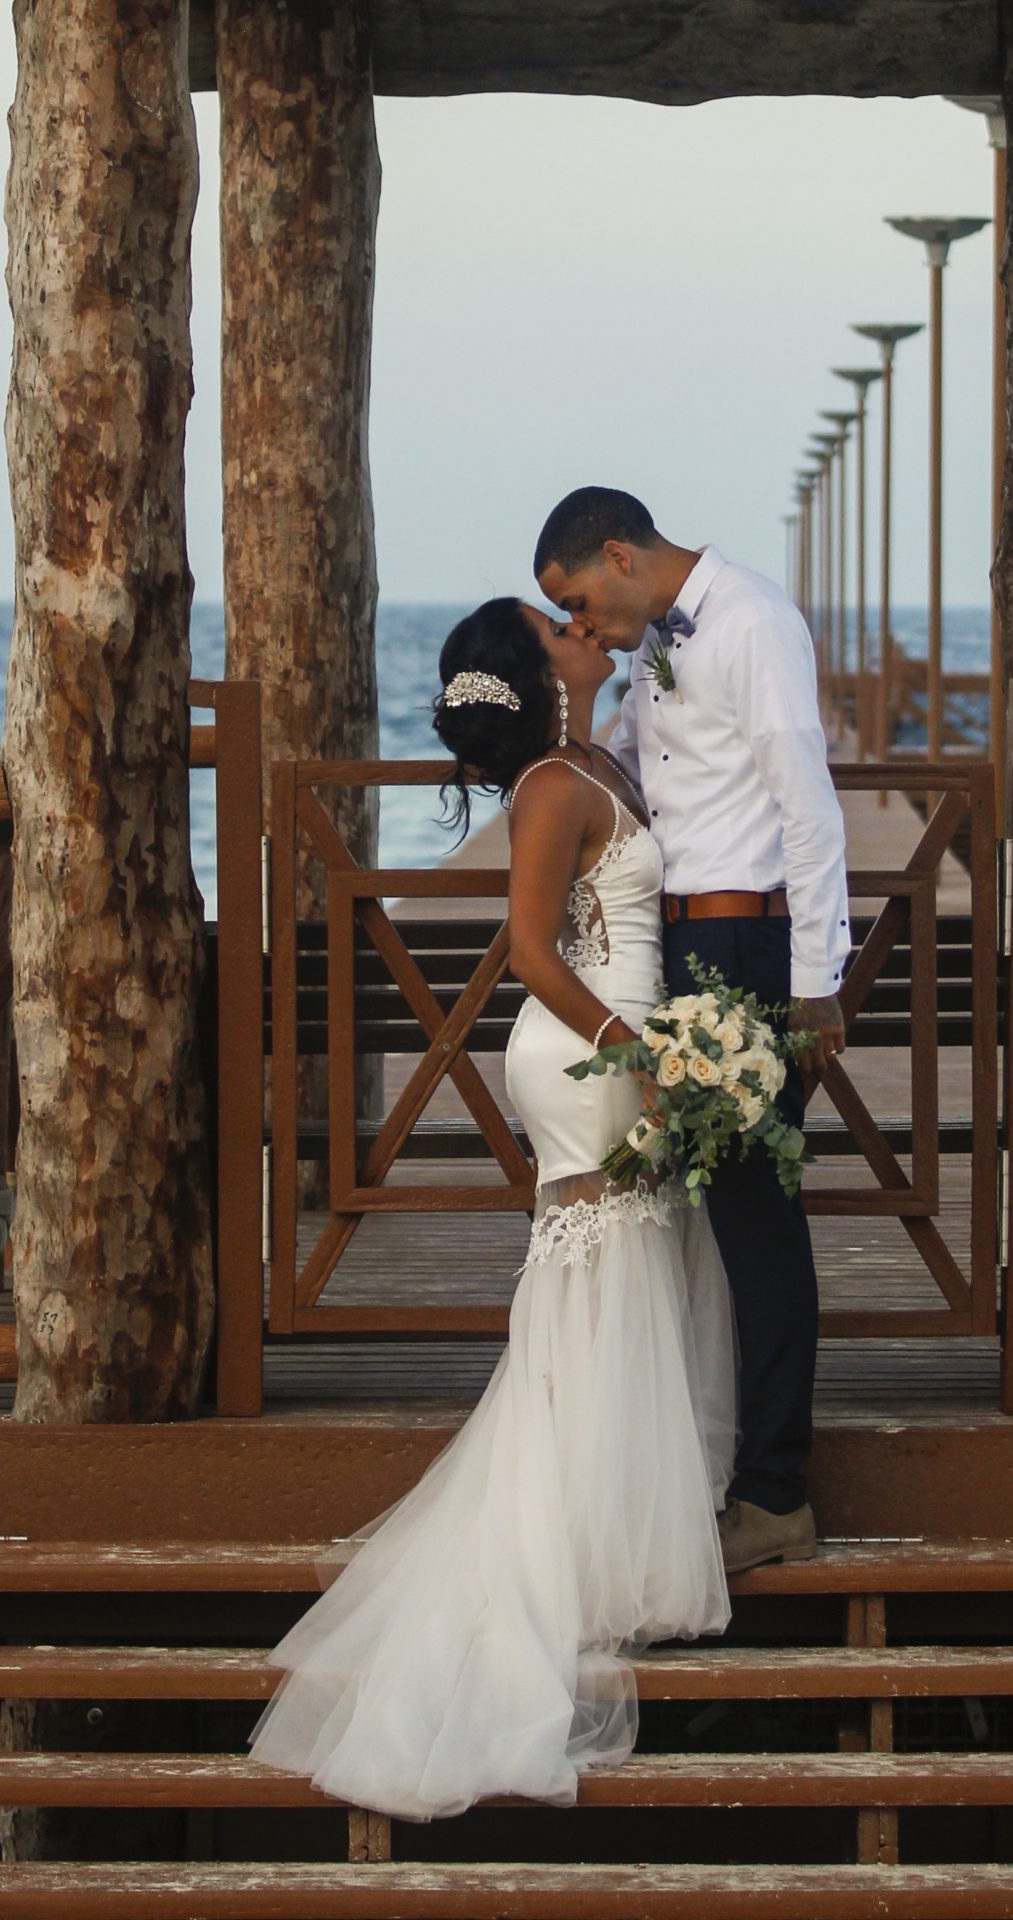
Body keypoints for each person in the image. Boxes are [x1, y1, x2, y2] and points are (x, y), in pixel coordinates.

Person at [250, 596, 734, 1820]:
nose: (582, 626)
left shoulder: (581, 763)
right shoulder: (552, 789)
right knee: (601, 1279)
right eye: (559, 624)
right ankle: (568, 1548)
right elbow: (528, 951)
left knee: (614, 1279)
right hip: (587, 1052)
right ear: (544, 670)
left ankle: (601, 1533)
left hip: (612, 1045)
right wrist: (645, 1048)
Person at [536, 487, 849, 1572]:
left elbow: (806, 801)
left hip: (750, 952)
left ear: (620, 554)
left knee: (758, 1220)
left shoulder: (752, 621)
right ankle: (741, 1468)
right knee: (725, 1215)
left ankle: (775, 1492)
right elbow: (625, 775)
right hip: (686, 952)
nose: (586, 623)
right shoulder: (654, 644)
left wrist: (816, 981)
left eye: (582, 599)